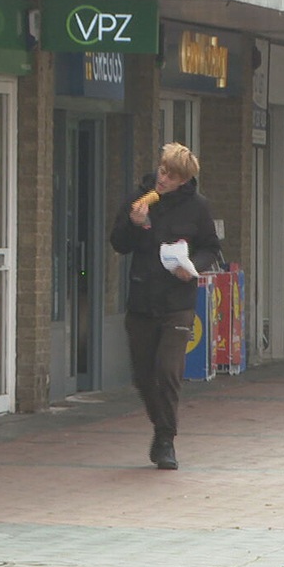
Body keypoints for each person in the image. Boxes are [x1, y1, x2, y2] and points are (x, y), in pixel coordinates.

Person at [110, 143, 220, 471]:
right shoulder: (138, 200)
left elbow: (211, 247)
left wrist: (193, 268)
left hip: (177, 302)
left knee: (168, 371)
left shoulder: (197, 208)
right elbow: (118, 244)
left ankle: (166, 438)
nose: (164, 178)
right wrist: (132, 222)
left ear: (184, 180)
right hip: (142, 300)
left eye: (172, 175)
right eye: (162, 170)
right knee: (144, 376)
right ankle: (160, 424)